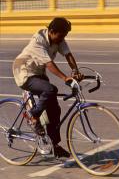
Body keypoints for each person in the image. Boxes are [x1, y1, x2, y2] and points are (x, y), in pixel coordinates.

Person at [13, 17, 82, 158]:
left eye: (65, 36)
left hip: (38, 73)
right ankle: (33, 115)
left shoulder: (59, 38)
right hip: (24, 72)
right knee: (50, 90)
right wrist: (65, 78)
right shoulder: (38, 41)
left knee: (55, 111)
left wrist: (75, 71)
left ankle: (55, 146)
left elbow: (68, 55)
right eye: (61, 36)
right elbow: (50, 64)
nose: (63, 39)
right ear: (51, 31)